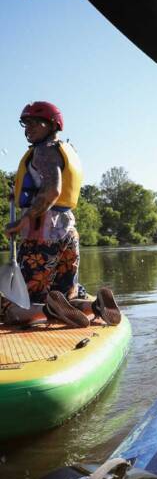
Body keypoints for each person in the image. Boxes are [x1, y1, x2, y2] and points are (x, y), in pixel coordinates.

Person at [1, 101, 121, 327]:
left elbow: (53, 190)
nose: (29, 128)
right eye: (26, 124)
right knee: (64, 294)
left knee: (12, 305)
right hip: (67, 231)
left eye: (36, 123)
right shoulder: (64, 150)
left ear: (52, 125)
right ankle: (95, 307)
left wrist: (23, 220)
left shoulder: (44, 151)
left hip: (41, 234)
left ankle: (48, 310)